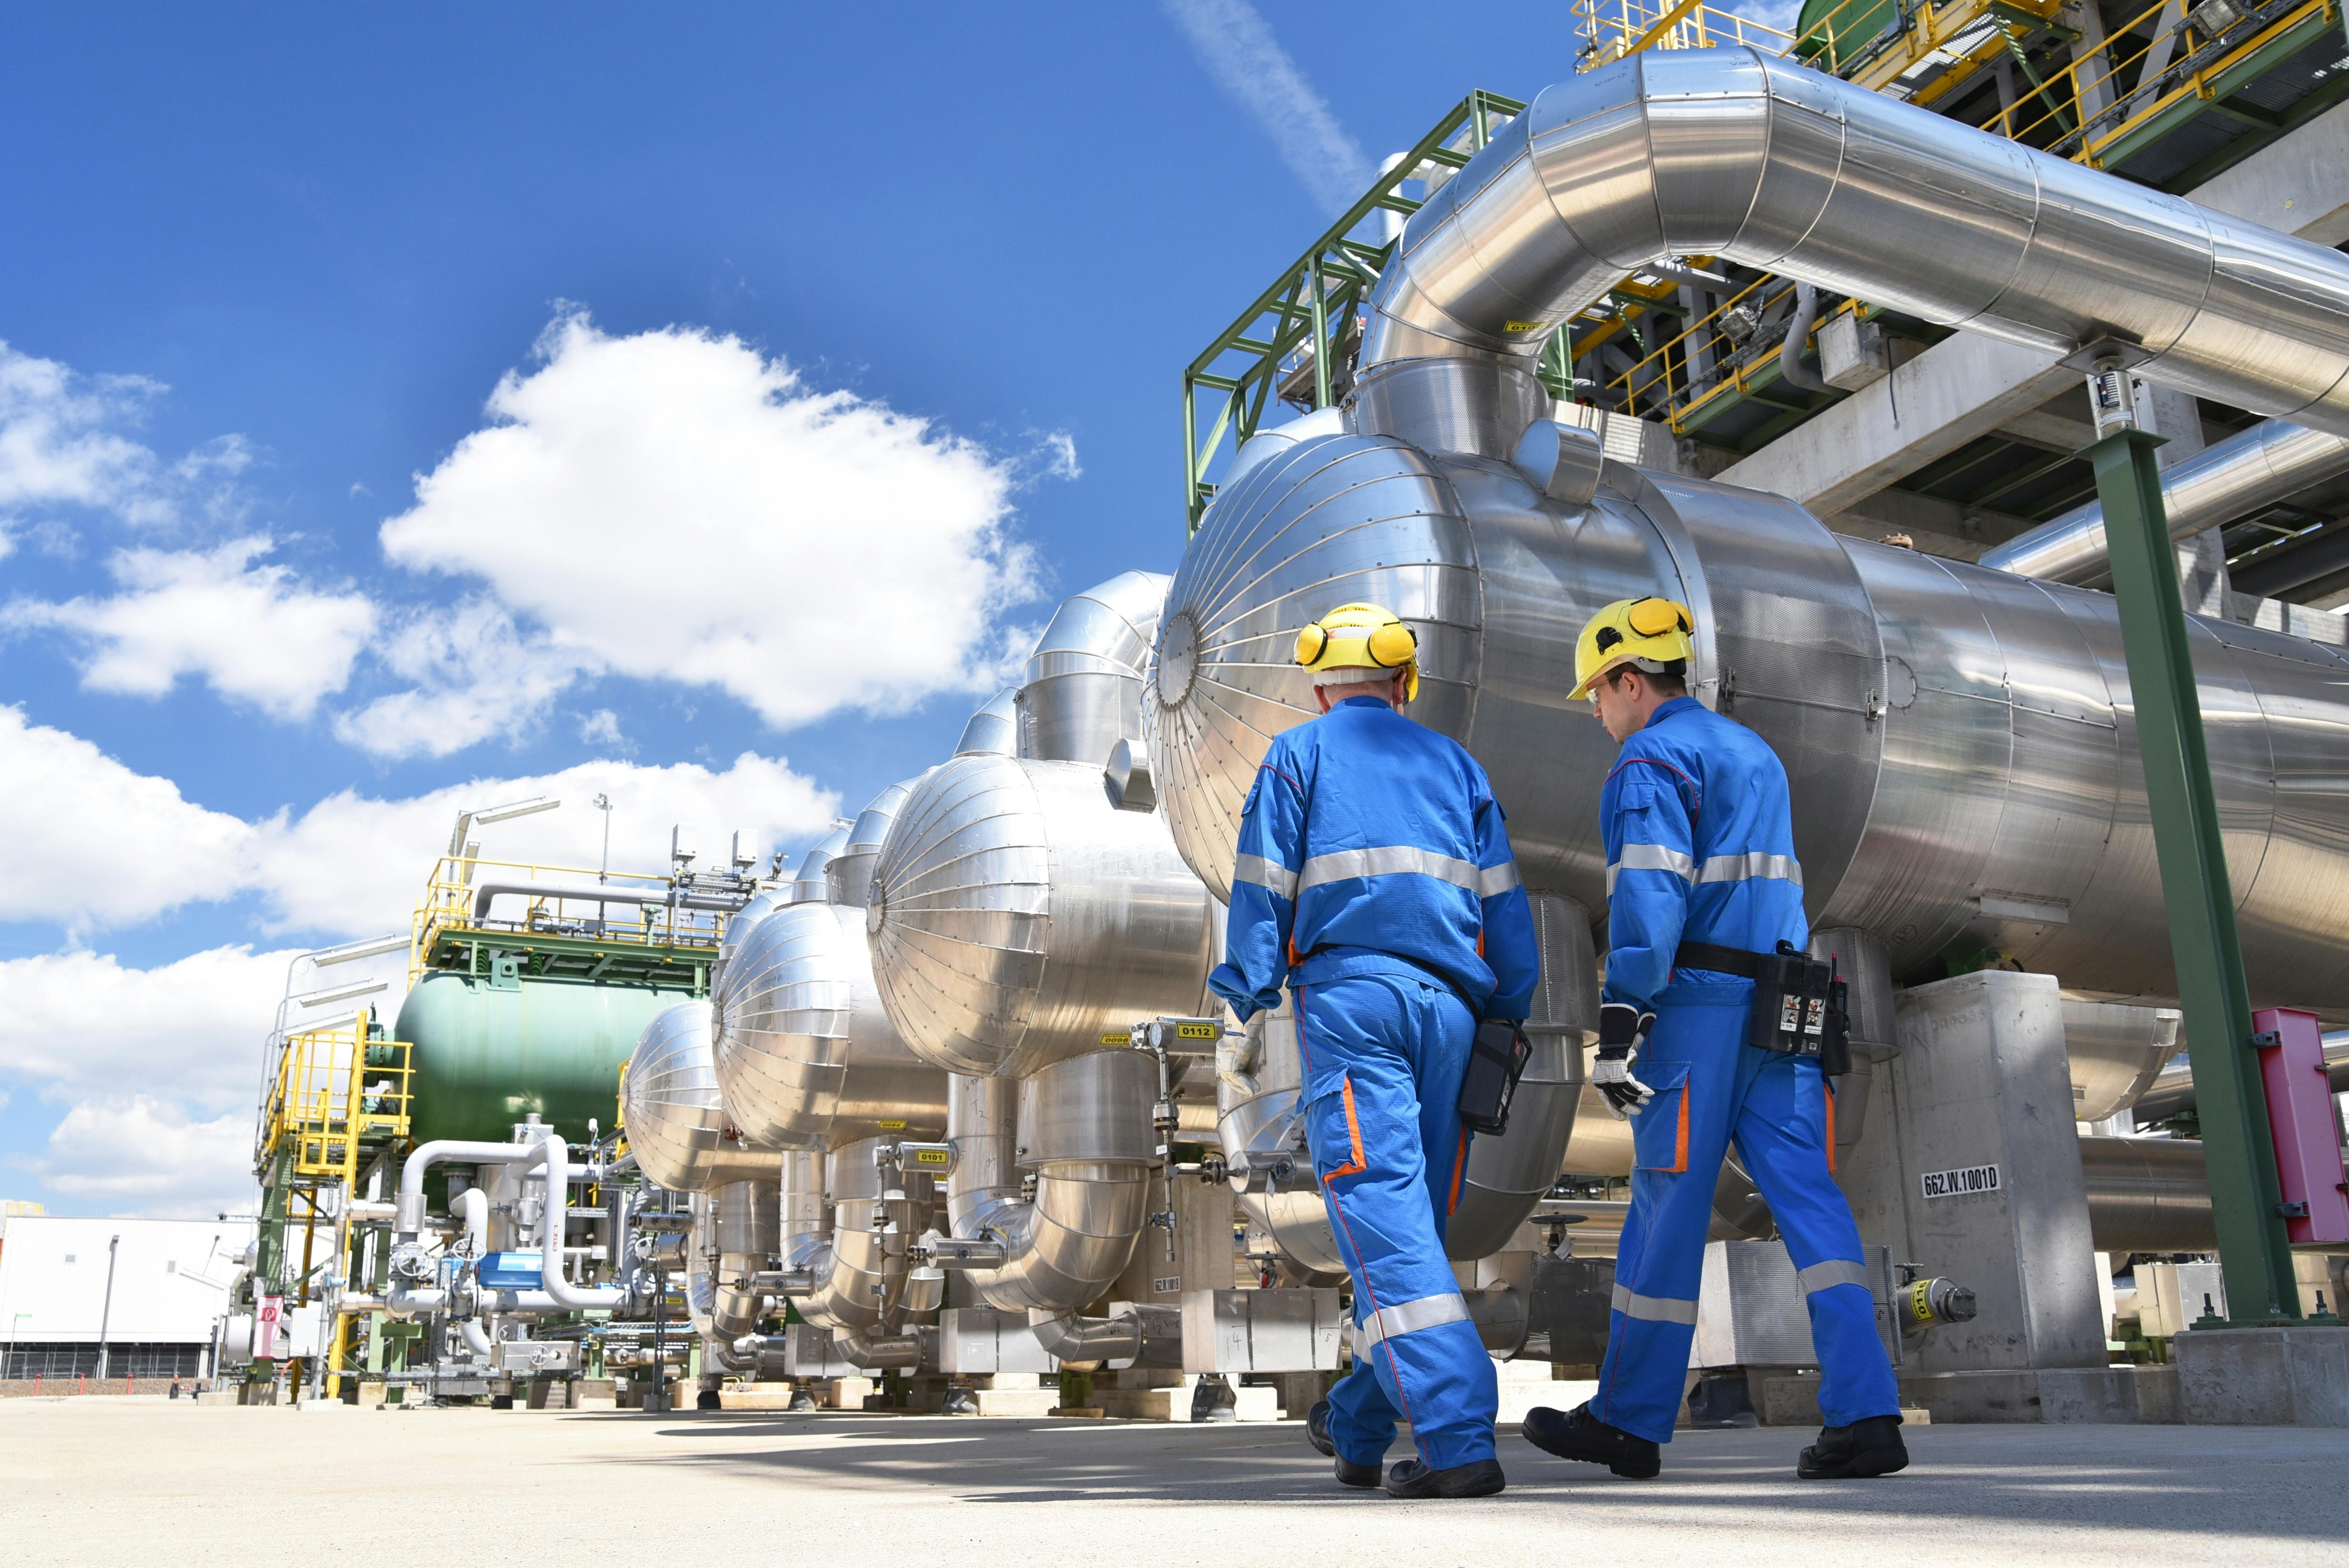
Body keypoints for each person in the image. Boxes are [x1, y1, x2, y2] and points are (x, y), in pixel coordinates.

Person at [1521, 597, 1907, 1481]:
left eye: (1597, 692)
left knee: (1667, 1204)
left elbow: (1651, 903)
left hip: (1697, 1006)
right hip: (1785, 1004)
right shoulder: (1754, 753)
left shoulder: (1649, 758)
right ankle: (1868, 1412)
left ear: (1631, 681)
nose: (1594, 710)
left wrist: (1623, 1016)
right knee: (1811, 1201)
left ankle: (1628, 1418)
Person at [1209, 603, 1538, 1501]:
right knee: (1407, 1231)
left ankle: (1460, 1431)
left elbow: (1263, 877)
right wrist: (1508, 1011)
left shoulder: (1299, 753)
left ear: (1320, 685)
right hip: (1458, 1016)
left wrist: (1244, 986)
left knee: (1385, 1227)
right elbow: (1509, 908)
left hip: (1356, 1005)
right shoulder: (1458, 764)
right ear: (1404, 684)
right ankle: (1357, 1424)